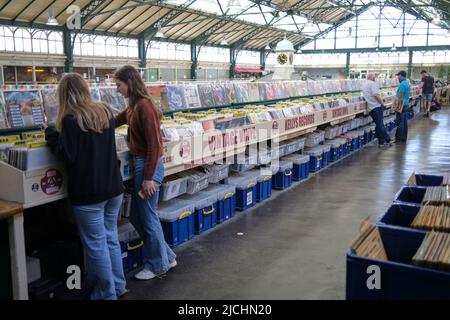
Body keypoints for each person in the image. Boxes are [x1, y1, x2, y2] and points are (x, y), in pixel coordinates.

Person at [45, 73, 126, 300]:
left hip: (89, 194)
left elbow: (67, 155)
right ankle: (118, 286)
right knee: (110, 238)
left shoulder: (71, 120)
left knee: (96, 244)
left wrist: (51, 133)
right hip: (113, 188)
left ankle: (105, 293)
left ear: (64, 94)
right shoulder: (104, 112)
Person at [114, 65, 176, 280]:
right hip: (142, 164)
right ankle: (166, 256)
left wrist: (149, 178)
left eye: (119, 85)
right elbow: (114, 121)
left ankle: (157, 265)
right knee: (138, 216)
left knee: (147, 216)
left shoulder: (144, 106)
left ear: (129, 83)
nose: (116, 90)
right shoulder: (133, 105)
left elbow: (155, 146)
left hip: (148, 166)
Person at [362, 74, 391, 147]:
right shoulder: (372, 84)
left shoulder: (364, 84)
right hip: (376, 106)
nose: (375, 79)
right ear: (373, 78)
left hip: (370, 107)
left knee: (379, 124)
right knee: (380, 124)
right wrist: (382, 103)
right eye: (374, 77)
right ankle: (385, 140)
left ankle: (383, 141)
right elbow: (376, 95)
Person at [394, 71, 411, 143]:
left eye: (398, 76)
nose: (397, 77)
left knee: (400, 122)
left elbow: (400, 95)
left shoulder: (402, 84)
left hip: (401, 105)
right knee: (404, 122)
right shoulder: (407, 83)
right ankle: (404, 138)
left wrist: (397, 106)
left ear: (401, 76)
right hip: (406, 104)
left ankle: (398, 139)